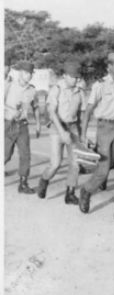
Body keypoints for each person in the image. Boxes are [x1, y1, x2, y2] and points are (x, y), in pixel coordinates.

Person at [78, 52, 114, 220]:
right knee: (103, 170)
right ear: (109, 66)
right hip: (104, 128)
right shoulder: (100, 85)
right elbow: (88, 110)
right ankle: (87, 190)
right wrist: (83, 134)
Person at [36, 61, 85, 204]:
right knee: (56, 163)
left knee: (75, 164)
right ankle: (44, 179)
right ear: (65, 76)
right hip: (57, 128)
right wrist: (63, 132)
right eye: (73, 77)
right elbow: (51, 113)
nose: (76, 80)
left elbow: (81, 115)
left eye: (78, 77)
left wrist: (82, 135)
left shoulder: (79, 91)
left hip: (73, 127)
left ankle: (70, 194)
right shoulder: (56, 89)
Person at [4, 60, 41, 193]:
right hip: (9, 123)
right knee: (6, 155)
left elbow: (35, 107)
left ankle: (23, 184)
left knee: (25, 155)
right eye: (26, 73)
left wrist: (38, 125)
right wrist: (9, 109)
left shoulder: (32, 90)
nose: (29, 76)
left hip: (23, 125)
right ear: (20, 73)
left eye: (30, 73)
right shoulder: (8, 85)